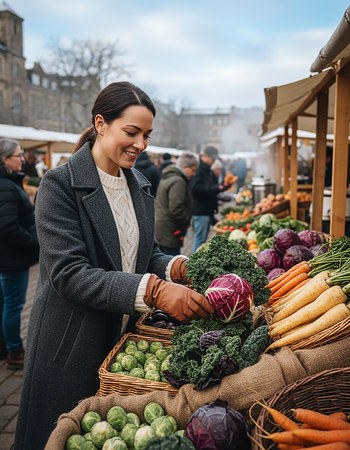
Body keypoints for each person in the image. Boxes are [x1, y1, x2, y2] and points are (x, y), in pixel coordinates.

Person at [15, 81, 214, 450]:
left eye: (147, 135)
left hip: (120, 339)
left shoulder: (139, 184)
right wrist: (154, 291)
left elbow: (146, 254)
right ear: (101, 123)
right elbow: (69, 275)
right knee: (58, 436)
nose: (141, 144)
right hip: (71, 341)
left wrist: (183, 269)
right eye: (132, 132)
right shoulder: (59, 186)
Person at [0, 139, 39, 370]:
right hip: (12, 259)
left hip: (8, 258)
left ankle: (5, 346)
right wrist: (33, 242)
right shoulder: (6, 185)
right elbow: (7, 226)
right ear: (5, 159)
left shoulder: (8, 182)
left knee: (5, 304)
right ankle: (15, 351)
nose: (22, 158)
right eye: (17, 155)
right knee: (13, 306)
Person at [155, 152, 199, 256]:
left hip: (163, 229)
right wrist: (186, 220)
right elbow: (176, 208)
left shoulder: (169, 176)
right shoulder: (178, 181)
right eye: (193, 170)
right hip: (170, 231)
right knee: (171, 265)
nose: (194, 174)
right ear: (185, 167)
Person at [190, 146, 230, 252]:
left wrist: (221, 187)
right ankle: (194, 264)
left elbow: (211, 187)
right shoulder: (198, 169)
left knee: (202, 240)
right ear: (206, 156)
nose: (214, 161)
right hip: (200, 210)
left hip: (206, 210)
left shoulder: (207, 170)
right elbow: (195, 189)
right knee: (199, 240)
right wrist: (216, 188)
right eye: (212, 159)